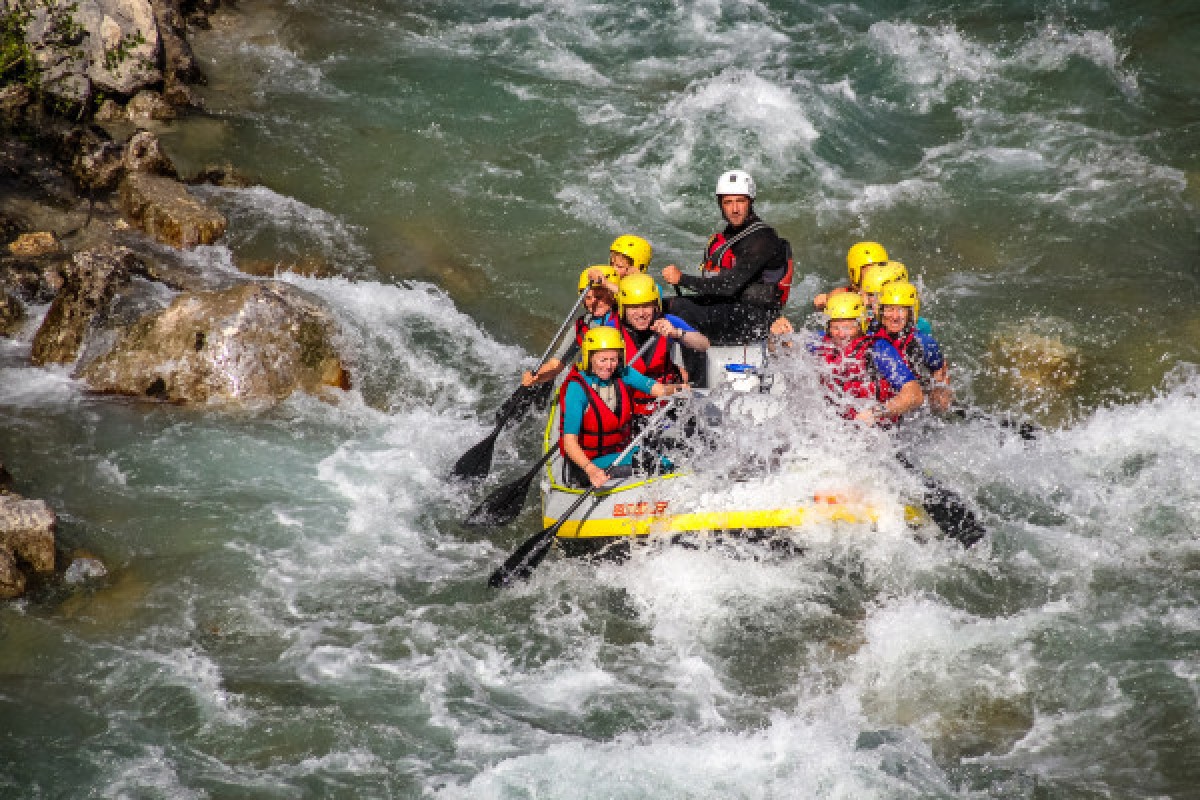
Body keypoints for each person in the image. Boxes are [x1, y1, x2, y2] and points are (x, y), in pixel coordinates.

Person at [661, 169, 793, 345]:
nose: (735, 209)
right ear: (720, 205)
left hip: (757, 320)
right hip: (731, 308)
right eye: (728, 202)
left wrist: (681, 279)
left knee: (680, 310)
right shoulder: (732, 235)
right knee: (660, 305)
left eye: (740, 201)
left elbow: (728, 286)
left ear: (750, 202)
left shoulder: (762, 239)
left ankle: (690, 372)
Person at [558, 326, 683, 488]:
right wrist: (590, 469)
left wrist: (680, 389)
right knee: (654, 463)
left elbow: (660, 390)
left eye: (613, 359)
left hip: (619, 453)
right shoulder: (577, 388)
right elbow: (569, 442)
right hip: (588, 464)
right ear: (589, 358)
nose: (609, 366)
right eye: (603, 360)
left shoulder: (623, 373)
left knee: (671, 455)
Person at [811, 292, 923, 427]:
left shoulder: (877, 349)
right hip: (834, 426)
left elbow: (914, 394)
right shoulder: (819, 343)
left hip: (877, 430)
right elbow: (789, 346)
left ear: (860, 325)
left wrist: (876, 412)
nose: (841, 334)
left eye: (848, 327)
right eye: (835, 327)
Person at [615, 273, 709, 417]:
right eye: (634, 307)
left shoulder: (667, 321)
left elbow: (703, 344)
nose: (641, 313)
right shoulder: (611, 330)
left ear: (655, 306)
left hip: (666, 406)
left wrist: (676, 333)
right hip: (630, 411)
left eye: (646, 306)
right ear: (623, 308)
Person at [522, 265, 619, 387]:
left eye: (599, 297)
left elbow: (631, 297)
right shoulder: (581, 325)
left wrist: (605, 283)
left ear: (612, 296)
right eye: (588, 297)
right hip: (592, 384)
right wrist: (537, 376)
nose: (594, 302)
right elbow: (555, 364)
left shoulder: (626, 316)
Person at [874, 281, 951, 412]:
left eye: (901, 310)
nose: (895, 316)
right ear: (880, 311)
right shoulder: (871, 337)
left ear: (911, 313)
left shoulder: (923, 343)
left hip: (911, 400)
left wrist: (939, 402)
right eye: (889, 309)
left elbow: (940, 374)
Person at [812, 240, 889, 311]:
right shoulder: (843, 294)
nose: (877, 276)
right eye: (870, 273)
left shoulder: (894, 290)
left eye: (880, 271)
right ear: (854, 273)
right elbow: (820, 301)